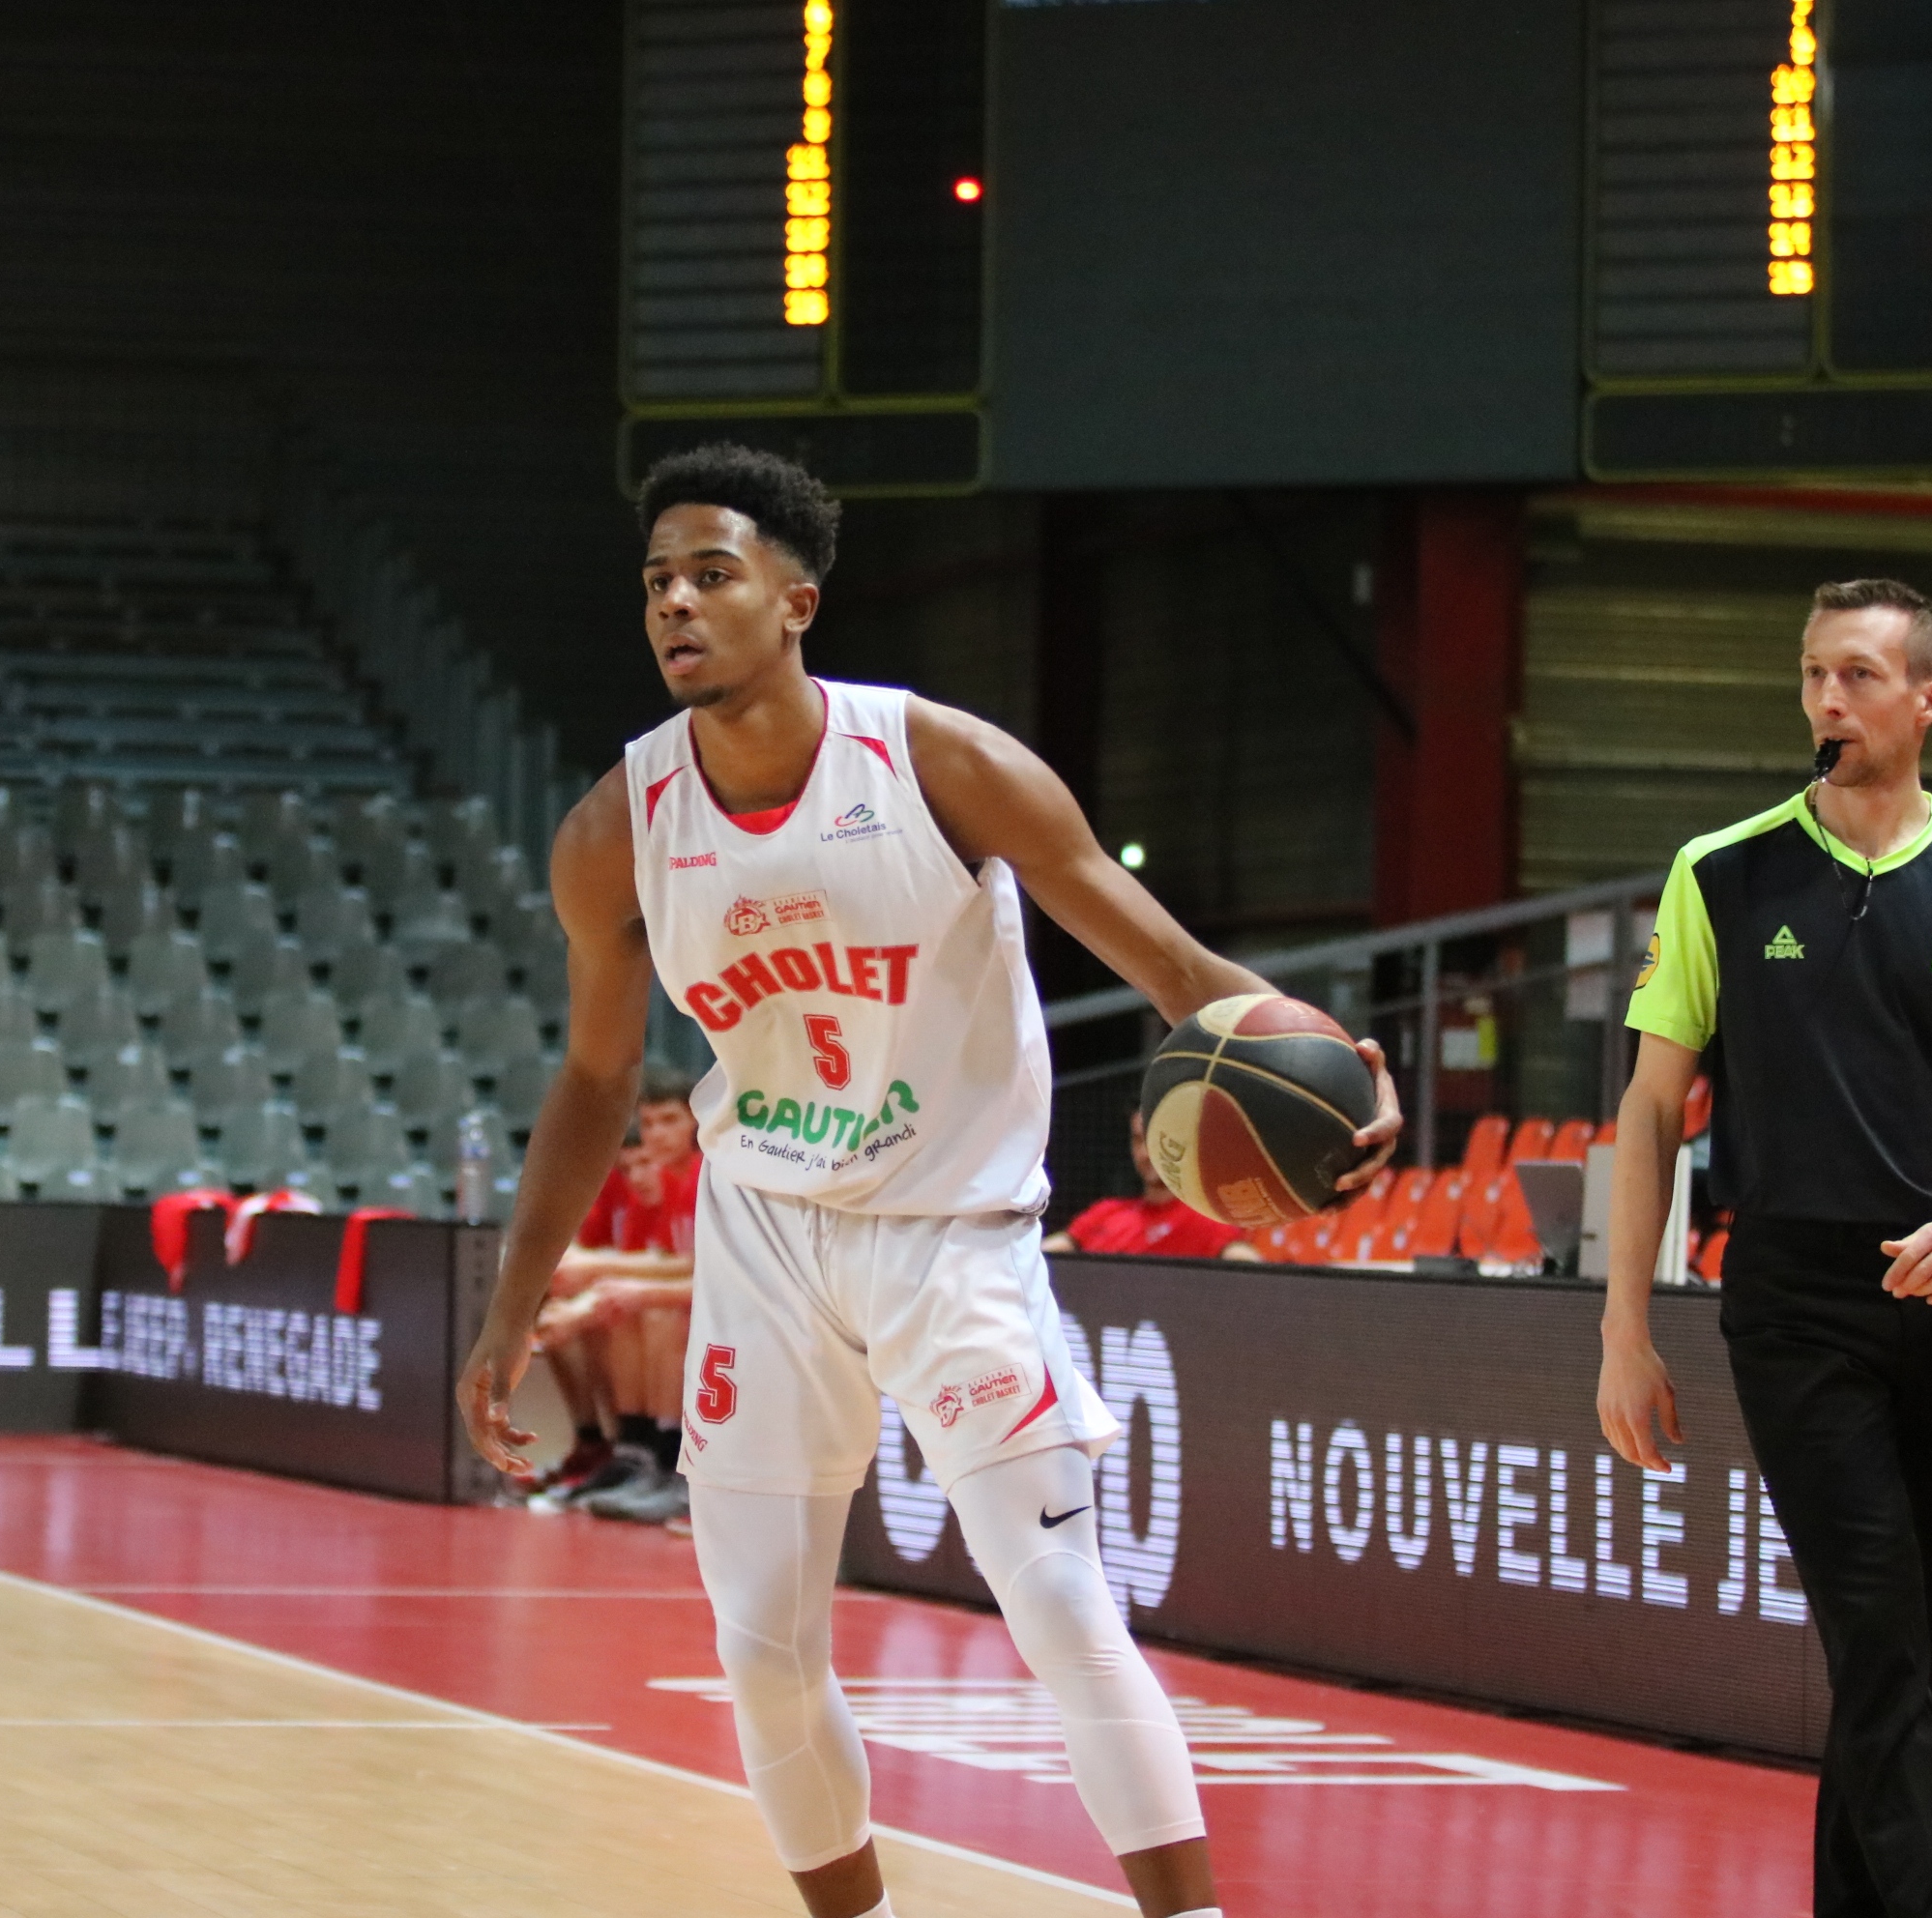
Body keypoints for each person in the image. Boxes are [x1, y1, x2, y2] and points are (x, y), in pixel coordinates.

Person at [457, 444, 1399, 1918]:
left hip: (952, 1235)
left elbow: (1169, 967)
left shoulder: (937, 763)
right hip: (766, 1234)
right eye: (656, 583)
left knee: (1059, 1604)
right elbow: (591, 1083)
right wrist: (510, 1311)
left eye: (712, 574)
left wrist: (1331, 1051)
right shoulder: (614, 830)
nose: (676, 606)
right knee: (762, 1645)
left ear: (798, 599)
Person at [1599, 577, 1932, 1918]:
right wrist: (1622, 1331)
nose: (1829, 700)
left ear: (1930, 700)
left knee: (1908, 1657)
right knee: (1875, 1634)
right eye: (1815, 674)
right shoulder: (1723, 871)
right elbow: (1649, 1113)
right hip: (1794, 1300)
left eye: (1861, 676)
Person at [533, 1067, 704, 1523]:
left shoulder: (707, 1176)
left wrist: (607, 1278)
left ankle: (672, 1464)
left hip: (756, 1308)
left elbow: (710, 1274)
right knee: (623, 1310)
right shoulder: (679, 1180)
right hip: (716, 1296)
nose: (656, 1136)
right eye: (649, 1124)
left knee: (653, 1313)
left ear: (698, 1122)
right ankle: (632, 1452)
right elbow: (675, 1262)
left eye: (670, 1121)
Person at [1045, 1112, 1256, 1260]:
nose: (1146, 1154)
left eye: (1157, 1140)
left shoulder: (1208, 1220)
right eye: (1138, 1140)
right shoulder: (1105, 1212)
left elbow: (1249, 1266)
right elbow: (1045, 1253)